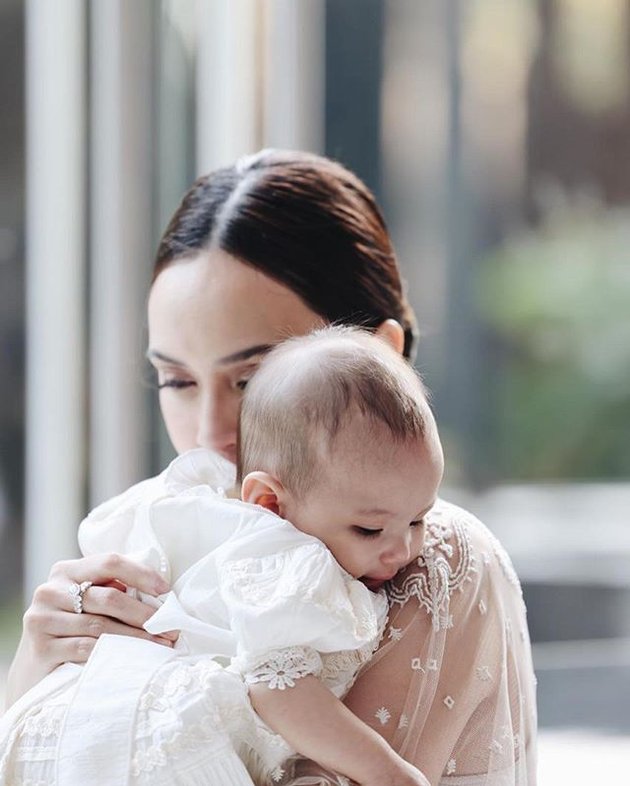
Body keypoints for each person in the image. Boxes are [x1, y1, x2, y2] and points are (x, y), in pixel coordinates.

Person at [6, 149, 537, 785]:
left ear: (381, 356)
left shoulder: (429, 558)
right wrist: (37, 681)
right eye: (176, 380)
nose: (209, 433)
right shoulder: (165, 535)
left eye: (254, 380)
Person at [0, 327, 439, 786]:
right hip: (145, 744)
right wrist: (391, 775)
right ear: (269, 503)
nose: (403, 549)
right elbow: (279, 688)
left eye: (419, 519)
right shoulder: (288, 554)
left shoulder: (215, 511)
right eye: (369, 529)